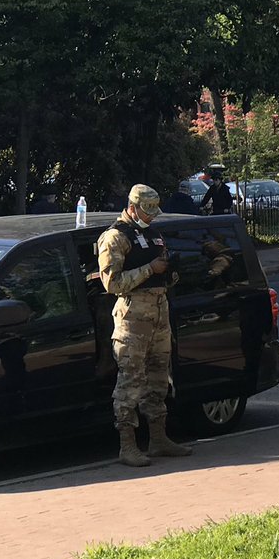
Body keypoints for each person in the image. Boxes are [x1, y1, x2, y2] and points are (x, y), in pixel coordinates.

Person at [96, 184, 193, 466]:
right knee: (130, 382)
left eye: (153, 212)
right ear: (133, 206)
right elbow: (112, 283)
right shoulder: (115, 237)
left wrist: (169, 271)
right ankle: (127, 445)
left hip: (159, 313)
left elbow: (161, 269)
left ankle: (158, 439)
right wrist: (150, 269)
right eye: (146, 211)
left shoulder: (152, 234)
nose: (150, 217)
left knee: (159, 378)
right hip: (133, 317)